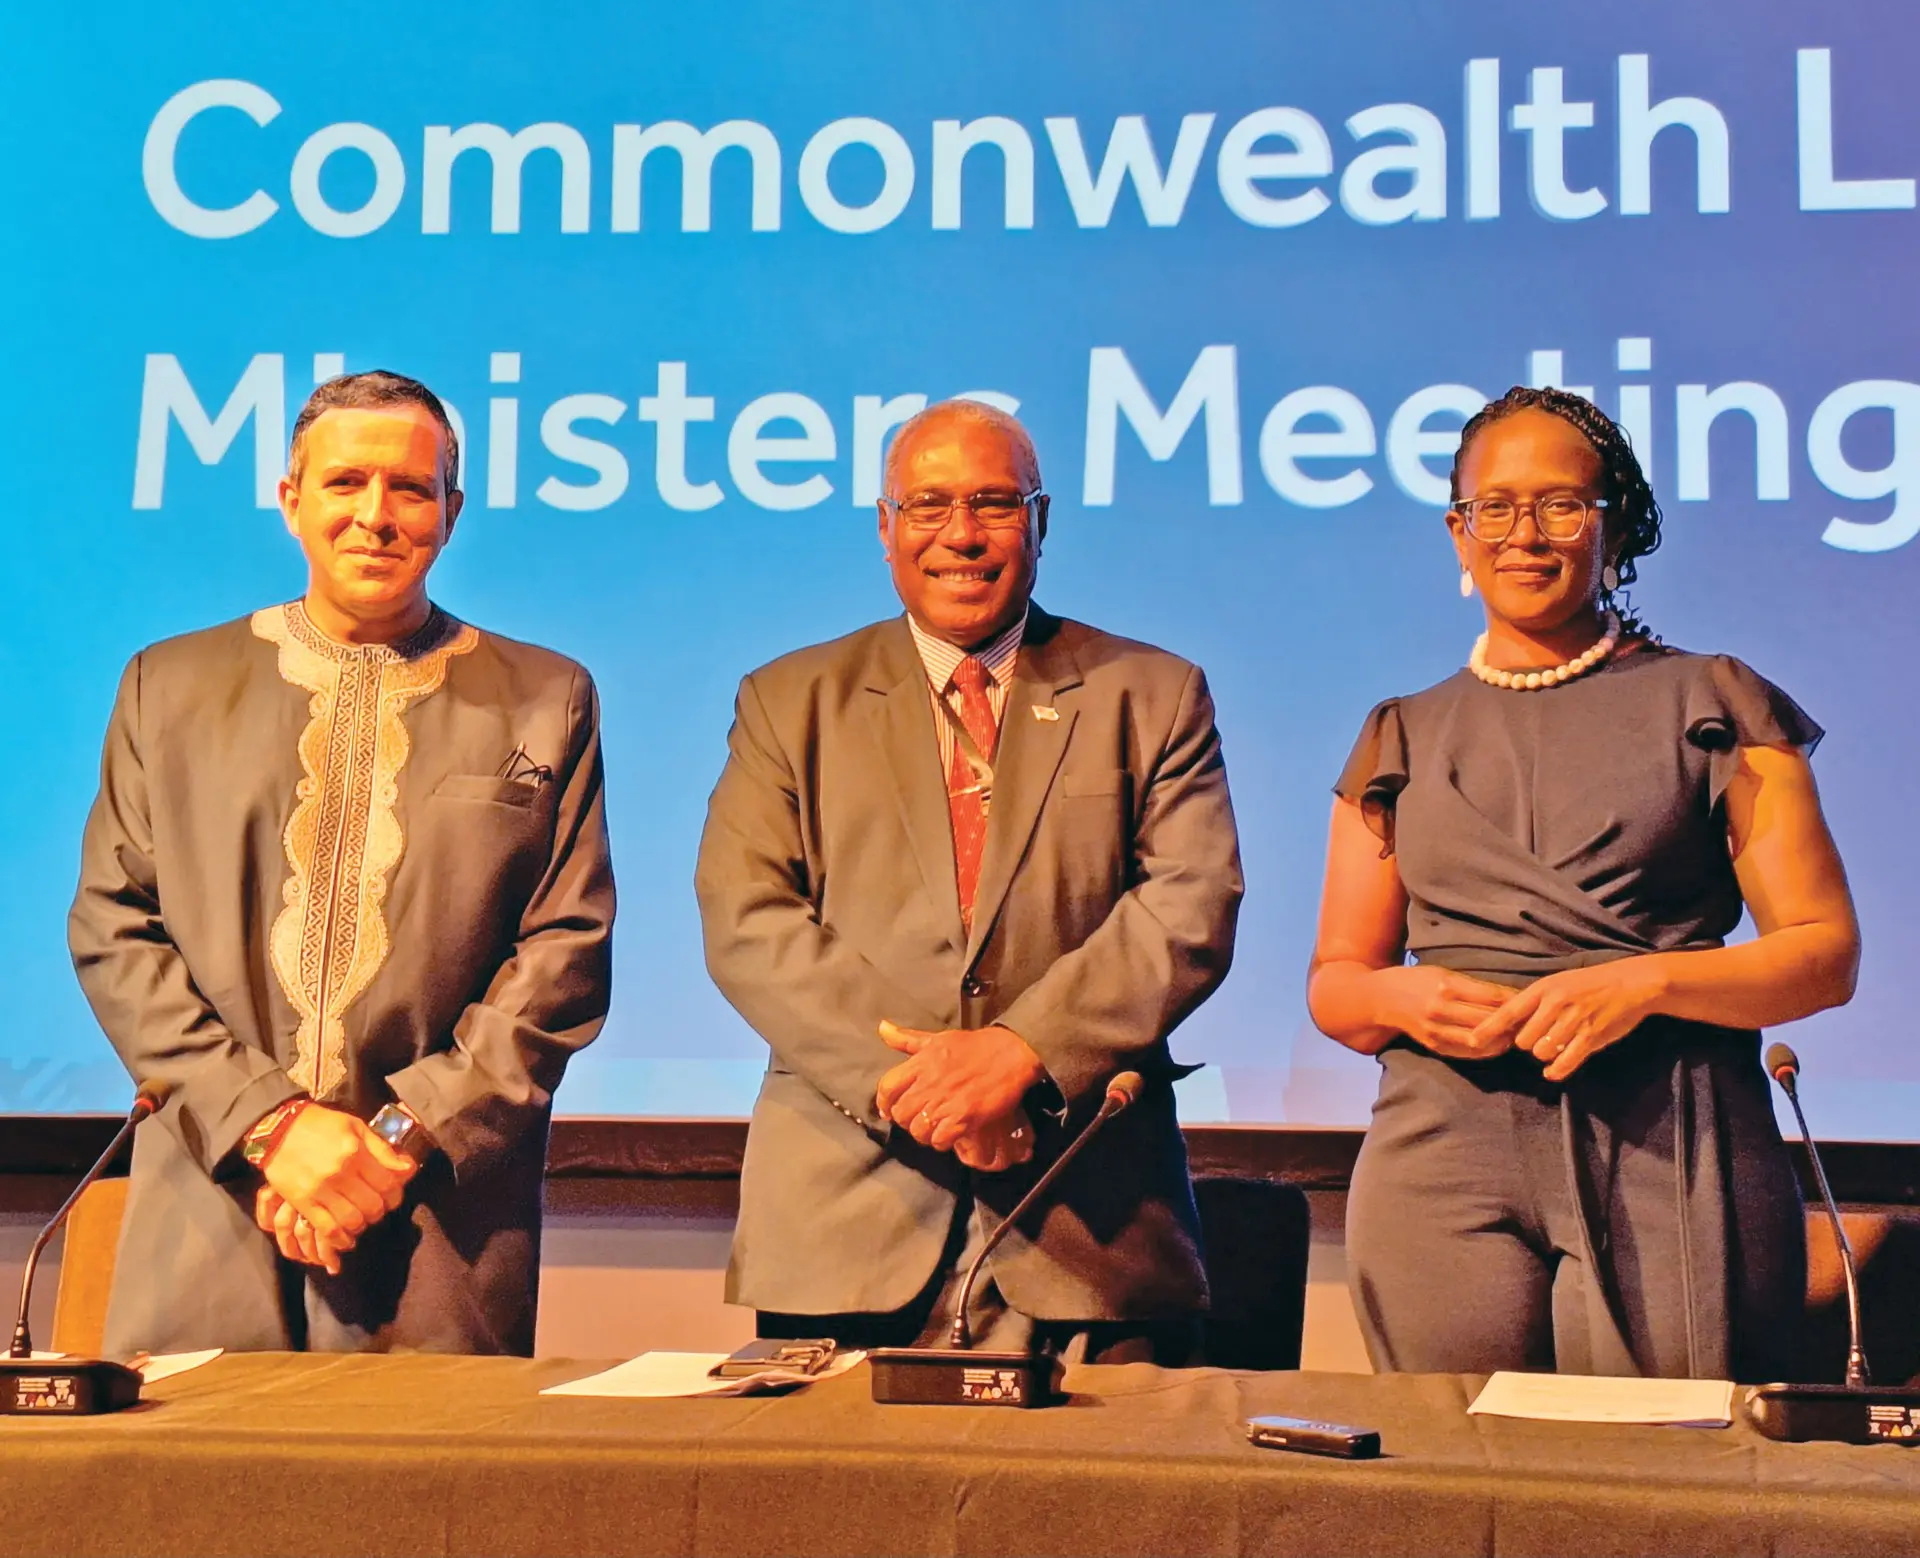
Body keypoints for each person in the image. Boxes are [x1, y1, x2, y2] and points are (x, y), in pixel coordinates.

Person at [1308, 386, 1859, 1382]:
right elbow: (1337, 984)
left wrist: (1645, 983)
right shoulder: (1400, 734)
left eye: (1561, 505)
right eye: (1495, 508)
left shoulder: (1714, 701)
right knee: (1448, 1464)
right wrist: (1403, 998)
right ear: (1459, 533)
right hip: (1441, 1158)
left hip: (1671, 1141)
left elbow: (1824, 956)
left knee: (1663, 1469)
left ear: (1616, 525)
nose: (1525, 534)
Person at [69, 370, 615, 1355]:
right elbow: (115, 928)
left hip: (437, 1219)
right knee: (195, 1455)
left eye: (409, 488)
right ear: (290, 500)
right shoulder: (168, 686)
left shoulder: (544, 696)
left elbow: (564, 953)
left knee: (430, 1461)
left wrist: (398, 1140)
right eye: (345, 483)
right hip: (215, 1195)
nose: (376, 515)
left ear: (452, 512)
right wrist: (271, 1125)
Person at [695, 398, 1242, 1361]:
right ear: (886, 527)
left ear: (1040, 520)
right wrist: (931, 1091)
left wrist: (1023, 1056)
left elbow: (1188, 906)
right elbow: (749, 920)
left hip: (1091, 1220)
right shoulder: (787, 700)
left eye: (993, 503)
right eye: (929, 505)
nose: (962, 534)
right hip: (845, 1218)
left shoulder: (1153, 693)